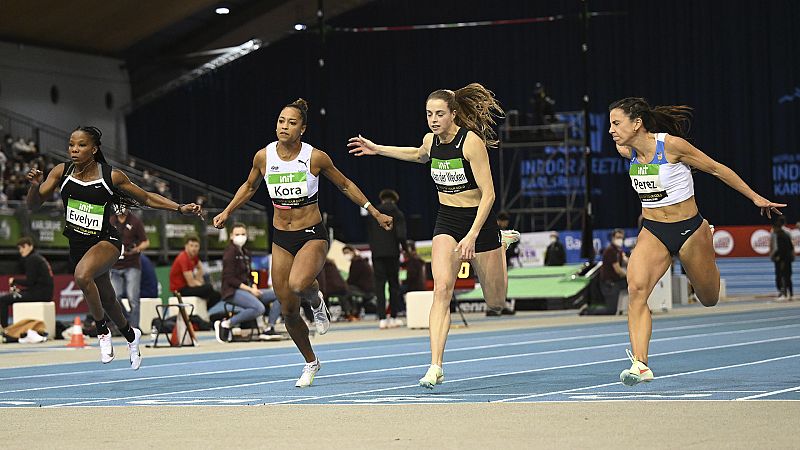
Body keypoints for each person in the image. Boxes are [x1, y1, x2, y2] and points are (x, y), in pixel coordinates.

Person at [349, 83, 521, 388]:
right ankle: (435, 366)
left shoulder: (470, 143)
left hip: (478, 221)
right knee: (442, 289)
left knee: (495, 302)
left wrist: (473, 235)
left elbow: (490, 194)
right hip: (447, 220)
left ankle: (502, 243)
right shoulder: (431, 141)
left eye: (439, 114)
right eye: (429, 114)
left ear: (453, 113)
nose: (433, 119)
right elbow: (418, 155)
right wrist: (378, 149)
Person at [213, 99, 393, 387]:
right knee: (286, 309)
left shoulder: (315, 158)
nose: (284, 126)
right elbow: (249, 186)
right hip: (281, 237)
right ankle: (311, 362)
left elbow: (345, 184)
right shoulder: (264, 156)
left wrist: (374, 211)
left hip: (311, 234)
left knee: (299, 285)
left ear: (303, 129)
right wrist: (227, 211)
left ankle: (315, 299)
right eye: (281, 121)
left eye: (292, 122)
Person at [608, 97, 785, 386]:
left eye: (616, 123)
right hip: (653, 229)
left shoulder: (672, 147)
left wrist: (755, 197)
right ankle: (641, 364)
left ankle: (707, 234)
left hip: (690, 229)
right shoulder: (625, 150)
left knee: (709, 298)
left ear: (637, 123)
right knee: (636, 289)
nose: (611, 131)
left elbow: (716, 169)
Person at [25, 126, 202, 369]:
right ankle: (131, 335)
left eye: (81, 145)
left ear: (94, 149)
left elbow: (147, 197)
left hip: (106, 241)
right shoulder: (61, 172)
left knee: (82, 275)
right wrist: (35, 186)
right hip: (79, 246)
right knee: (108, 299)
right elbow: (33, 206)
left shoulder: (110, 176)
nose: (74, 149)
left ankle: (101, 331)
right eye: (71, 145)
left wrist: (179, 208)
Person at [217, 222, 282, 342]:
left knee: (281, 295)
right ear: (231, 236)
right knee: (259, 308)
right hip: (231, 292)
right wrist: (250, 290)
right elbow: (229, 279)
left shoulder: (246, 253)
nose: (240, 236)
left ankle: (269, 328)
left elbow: (250, 275)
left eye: (243, 234)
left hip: (248, 290)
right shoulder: (229, 253)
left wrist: (254, 286)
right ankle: (226, 324)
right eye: (237, 234)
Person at [367, 189, 409, 329]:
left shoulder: (375, 214)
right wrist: (406, 250)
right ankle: (394, 317)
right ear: (395, 200)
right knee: (393, 286)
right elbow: (401, 235)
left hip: (377, 253)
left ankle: (382, 319)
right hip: (392, 253)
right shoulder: (398, 214)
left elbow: (370, 234)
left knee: (379, 286)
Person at [1, 237, 54, 329]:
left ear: (30, 246)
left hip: (39, 294)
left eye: (22, 247)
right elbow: (34, 283)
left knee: (2, 300)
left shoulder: (32, 259)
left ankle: (4, 329)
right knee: (9, 297)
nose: (21, 250)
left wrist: (14, 280)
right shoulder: (38, 257)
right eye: (19, 248)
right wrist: (21, 290)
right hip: (43, 293)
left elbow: (29, 282)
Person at [109, 208, 149, 330]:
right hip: (114, 265)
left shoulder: (135, 221)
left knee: (133, 298)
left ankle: (134, 327)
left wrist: (136, 249)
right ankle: (125, 322)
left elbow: (145, 242)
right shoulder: (111, 221)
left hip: (131, 264)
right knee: (114, 297)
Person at [169, 235, 222, 308]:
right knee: (208, 288)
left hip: (187, 287)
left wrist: (198, 280)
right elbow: (191, 283)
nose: (194, 248)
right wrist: (201, 285)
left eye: (196, 246)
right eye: (191, 246)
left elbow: (200, 268)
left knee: (217, 295)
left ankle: (205, 312)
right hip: (179, 291)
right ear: (186, 246)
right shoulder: (183, 258)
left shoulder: (194, 257)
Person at [588, 229, 628, 315]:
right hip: (609, 284)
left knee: (637, 285)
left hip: (617, 282)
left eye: (621, 237)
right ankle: (588, 310)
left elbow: (627, 262)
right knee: (611, 310)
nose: (620, 239)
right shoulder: (610, 251)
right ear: (613, 238)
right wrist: (629, 276)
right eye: (618, 237)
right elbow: (618, 270)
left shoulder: (619, 251)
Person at [341, 245, 376, 322]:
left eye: (347, 252)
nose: (346, 255)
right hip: (367, 288)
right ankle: (353, 312)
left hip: (366, 290)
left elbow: (352, 279)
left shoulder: (357, 263)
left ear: (353, 252)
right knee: (348, 290)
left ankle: (350, 314)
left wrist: (343, 284)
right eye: (344, 253)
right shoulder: (361, 261)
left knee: (344, 291)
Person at [770, 217, 794, 300]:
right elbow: (791, 247)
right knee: (787, 276)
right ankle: (790, 294)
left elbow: (781, 249)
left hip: (783, 259)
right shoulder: (786, 234)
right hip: (787, 258)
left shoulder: (780, 236)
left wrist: (778, 257)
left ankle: (784, 294)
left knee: (782, 276)